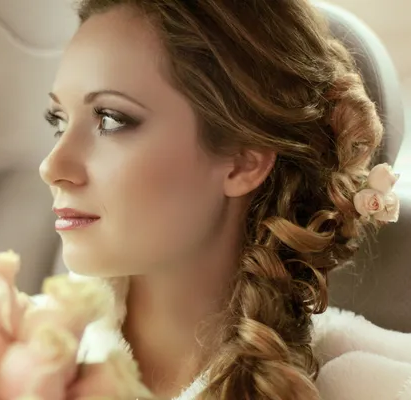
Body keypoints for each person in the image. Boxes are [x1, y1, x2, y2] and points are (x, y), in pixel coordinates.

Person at [39, 1, 405, 399]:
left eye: (110, 119)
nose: (52, 166)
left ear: (243, 161)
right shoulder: (6, 356)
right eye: (58, 121)